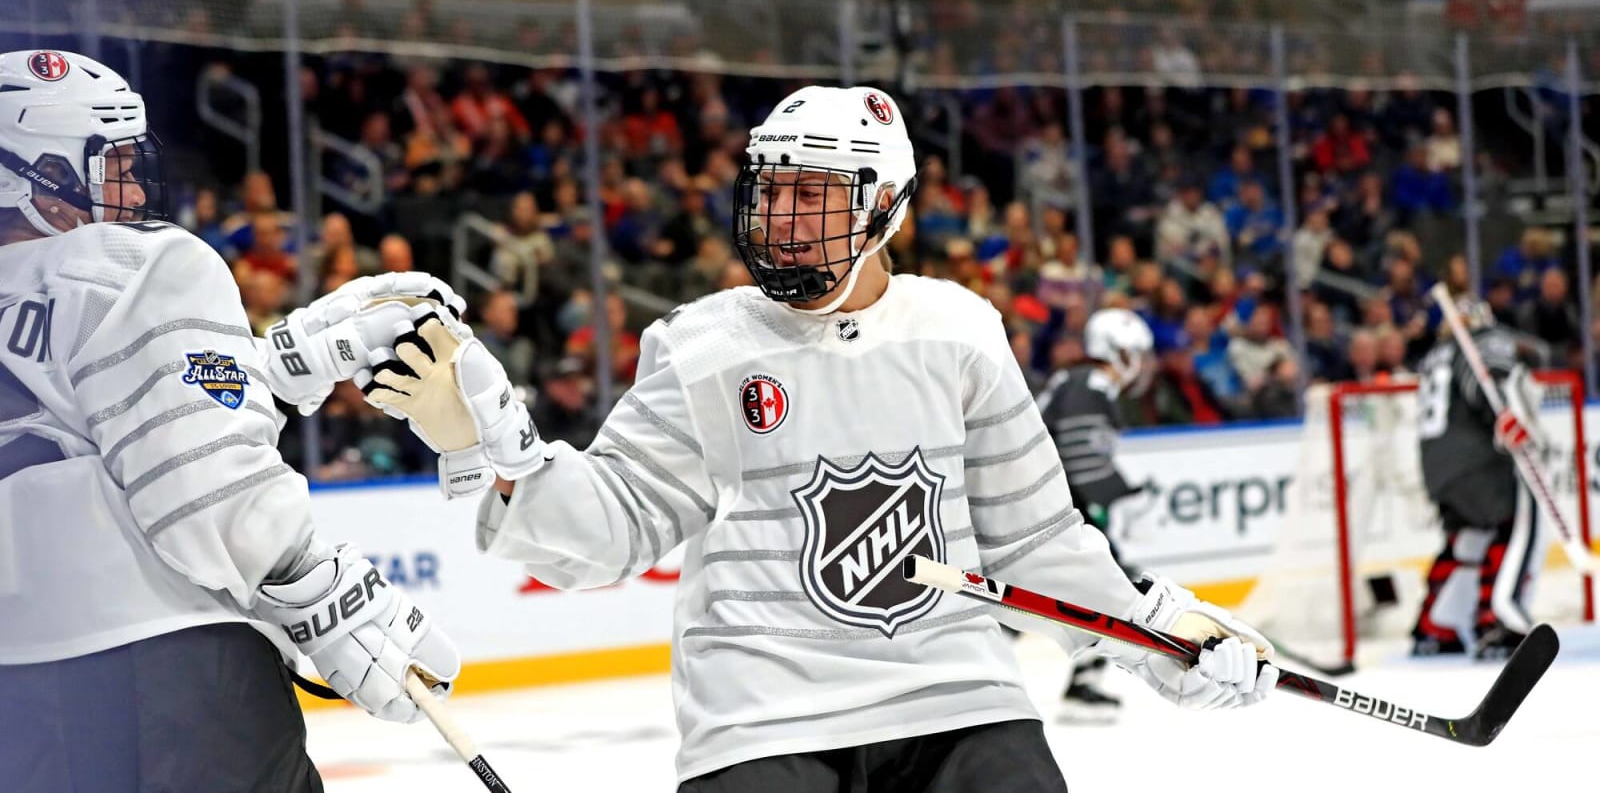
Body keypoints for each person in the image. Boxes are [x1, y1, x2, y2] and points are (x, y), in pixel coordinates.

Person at [361, 85, 1276, 792]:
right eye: (773, 195)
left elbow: (1033, 541)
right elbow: (611, 533)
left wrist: (1156, 632)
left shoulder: (958, 329)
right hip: (764, 720)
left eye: (816, 198)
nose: (785, 224)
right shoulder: (704, 345)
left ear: (886, 209)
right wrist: (491, 451)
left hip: (960, 700)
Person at [0, 50, 460, 791]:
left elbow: (91, 412)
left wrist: (276, 360)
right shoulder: (132, 263)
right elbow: (202, 478)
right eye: (105, 161)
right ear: (27, 174)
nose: (128, 182)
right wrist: (322, 590)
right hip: (167, 673)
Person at [1033, 308, 1153, 723]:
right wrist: (1125, 495)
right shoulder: (1092, 383)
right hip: (1048, 509)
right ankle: (1082, 685)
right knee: (1113, 589)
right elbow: (1081, 459)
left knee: (1105, 589)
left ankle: (1083, 682)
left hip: (1043, 504)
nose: (1140, 363)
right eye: (1136, 352)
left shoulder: (1077, 380)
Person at [1411, 299, 1545, 660]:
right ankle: (1500, 621)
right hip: (1478, 461)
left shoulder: (1435, 354)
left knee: (1465, 539)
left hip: (1437, 467)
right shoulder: (1481, 339)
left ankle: (1435, 626)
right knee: (1515, 526)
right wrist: (1506, 418)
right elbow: (1490, 382)